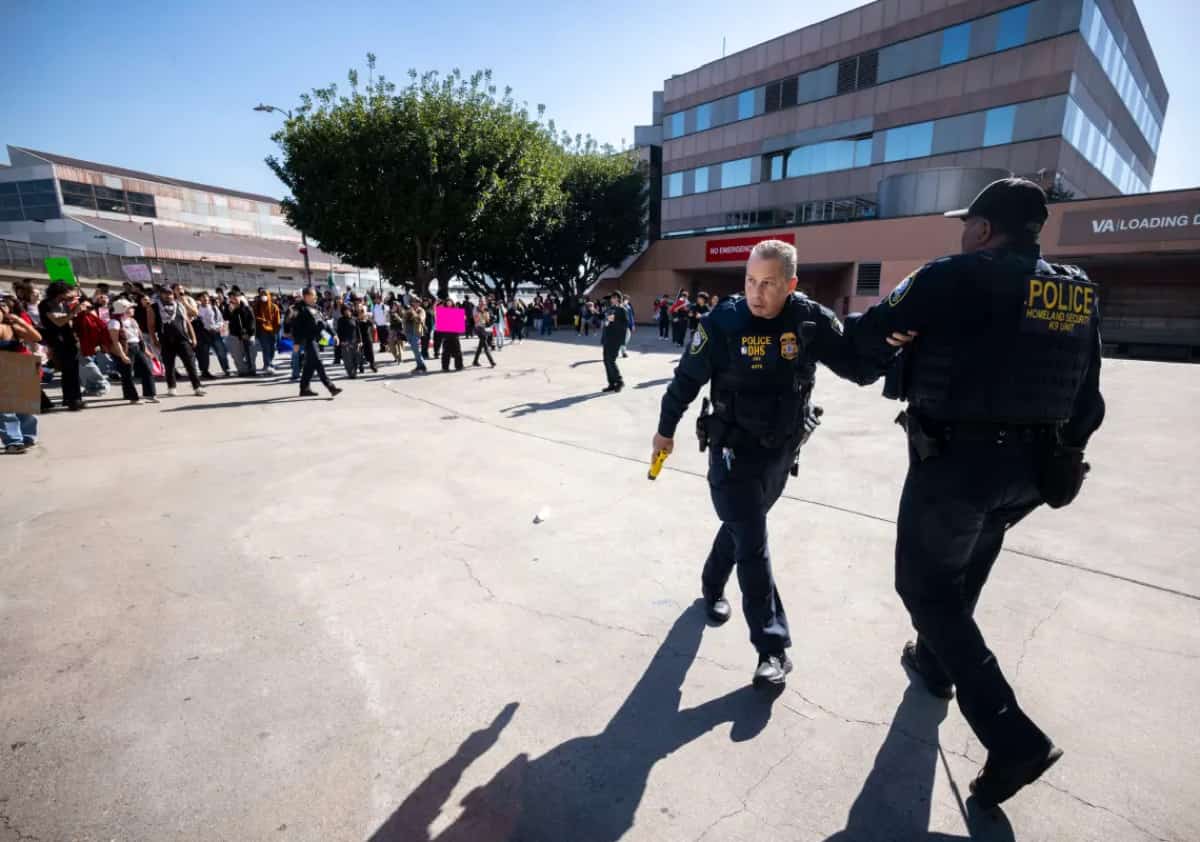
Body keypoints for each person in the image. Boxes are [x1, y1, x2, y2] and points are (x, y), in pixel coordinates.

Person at [847, 178, 1105, 808]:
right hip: (1031, 473)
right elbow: (1088, 395)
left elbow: (862, 349)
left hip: (957, 467)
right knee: (965, 571)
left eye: (969, 224)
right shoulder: (1074, 290)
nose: (963, 234)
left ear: (985, 230)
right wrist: (1062, 454)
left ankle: (1011, 737)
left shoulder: (951, 276)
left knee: (926, 588)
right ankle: (935, 666)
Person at [651, 239, 909, 689]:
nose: (756, 292)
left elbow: (858, 369)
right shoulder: (723, 322)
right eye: (750, 281)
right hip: (731, 451)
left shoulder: (808, 319)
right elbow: (685, 380)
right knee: (753, 541)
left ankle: (711, 584)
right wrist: (665, 429)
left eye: (768, 283)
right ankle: (772, 648)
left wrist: (893, 346)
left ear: (790, 284)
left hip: (781, 452)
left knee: (742, 527)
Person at [0, 298, 42, 452]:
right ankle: (13, 442)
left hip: (22, 367)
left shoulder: (14, 327)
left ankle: (28, 437)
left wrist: (19, 320)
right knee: (5, 409)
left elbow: (37, 337)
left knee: (25, 408)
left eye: (2, 307)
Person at [37, 280, 86, 411]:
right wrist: (73, 312)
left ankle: (72, 398)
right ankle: (73, 400)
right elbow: (58, 322)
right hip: (58, 341)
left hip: (69, 339)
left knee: (73, 371)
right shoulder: (46, 304)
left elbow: (67, 321)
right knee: (68, 370)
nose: (70, 294)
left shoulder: (63, 304)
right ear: (60, 293)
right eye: (68, 291)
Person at [154, 286, 206, 397]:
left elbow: (187, 322)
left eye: (170, 293)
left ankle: (197, 387)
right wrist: (154, 340)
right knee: (169, 365)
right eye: (165, 293)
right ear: (161, 294)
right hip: (165, 340)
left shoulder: (179, 305)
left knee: (190, 364)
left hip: (182, 339)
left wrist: (194, 337)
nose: (168, 295)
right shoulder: (154, 307)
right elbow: (151, 325)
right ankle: (171, 388)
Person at [291, 287, 342, 398]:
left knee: (310, 365)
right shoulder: (300, 309)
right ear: (306, 297)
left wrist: (334, 334)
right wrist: (296, 343)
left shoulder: (317, 308)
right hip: (307, 340)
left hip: (317, 339)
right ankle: (331, 387)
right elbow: (296, 328)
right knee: (318, 362)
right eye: (313, 295)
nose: (316, 297)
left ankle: (304, 389)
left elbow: (325, 323)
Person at [107, 297, 157, 404]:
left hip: (137, 347)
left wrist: (146, 351)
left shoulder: (133, 320)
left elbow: (139, 337)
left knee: (147, 369)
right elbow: (116, 342)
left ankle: (149, 394)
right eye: (130, 307)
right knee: (127, 374)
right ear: (124, 309)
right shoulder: (114, 322)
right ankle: (132, 397)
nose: (133, 309)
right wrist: (122, 355)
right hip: (125, 348)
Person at [194, 292, 231, 379]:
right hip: (202, 334)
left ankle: (226, 369)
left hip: (214, 333)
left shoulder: (214, 308)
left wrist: (215, 327)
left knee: (221, 351)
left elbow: (221, 321)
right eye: (203, 297)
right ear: (199, 299)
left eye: (207, 297)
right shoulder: (196, 309)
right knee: (203, 354)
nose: (205, 299)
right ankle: (204, 371)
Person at [601, 291, 629, 393]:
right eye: (611, 298)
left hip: (615, 339)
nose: (611, 300)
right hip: (607, 338)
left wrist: (613, 321)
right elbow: (603, 318)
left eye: (613, 298)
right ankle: (611, 383)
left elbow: (625, 324)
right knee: (606, 360)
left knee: (611, 360)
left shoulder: (622, 309)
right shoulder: (610, 309)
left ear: (618, 298)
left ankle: (619, 381)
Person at [252, 288, 281, 374]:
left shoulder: (274, 307)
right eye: (262, 295)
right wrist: (262, 320)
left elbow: (277, 320)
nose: (263, 297)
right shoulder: (257, 306)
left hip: (272, 331)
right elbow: (254, 316)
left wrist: (276, 330)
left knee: (272, 349)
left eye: (265, 295)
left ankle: (269, 363)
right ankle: (267, 365)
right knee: (266, 348)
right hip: (262, 330)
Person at [226, 293, 256, 376]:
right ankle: (242, 370)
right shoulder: (229, 308)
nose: (234, 300)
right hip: (235, 335)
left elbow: (252, 322)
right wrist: (231, 312)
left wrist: (250, 334)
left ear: (239, 298)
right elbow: (226, 319)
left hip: (247, 334)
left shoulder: (247, 308)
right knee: (237, 355)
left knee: (250, 353)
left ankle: (252, 369)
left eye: (235, 298)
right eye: (231, 298)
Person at [402, 298, 429, 373]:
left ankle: (422, 366)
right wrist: (407, 312)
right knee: (414, 350)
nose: (415, 303)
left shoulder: (421, 310)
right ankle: (419, 365)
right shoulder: (409, 310)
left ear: (419, 303)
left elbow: (420, 319)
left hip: (416, 332)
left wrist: (413, 312)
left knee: (416, 349)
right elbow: (404, 319)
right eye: (413, 302)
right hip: (408, 332)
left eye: (416, 302)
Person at [335, 305, 361, 378]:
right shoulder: (341, 320)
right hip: (345, 342)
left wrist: (360, 341)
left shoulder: (355, 319)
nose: (347, 311)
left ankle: (354, 371)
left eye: (348, 310)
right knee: (347, 359)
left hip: (355, 341)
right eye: (345, 310)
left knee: (355, 358)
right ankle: (351, 373)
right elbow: (339, 332)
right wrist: (341, 341)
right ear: (343, 312)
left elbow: (358, 331)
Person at [472, 302, 497, 368]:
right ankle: (492, 362)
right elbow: (476, 321)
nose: (483, 306)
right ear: (480, 305)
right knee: (485, 345)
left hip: (485, 329)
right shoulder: (476, 311)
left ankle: (475, 361)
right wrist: (480, 315)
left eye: (484, 305)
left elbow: (488, 321)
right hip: (478, 329)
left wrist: (488, 317)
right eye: (482, 305)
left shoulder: (486, 311)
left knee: (480, 346)